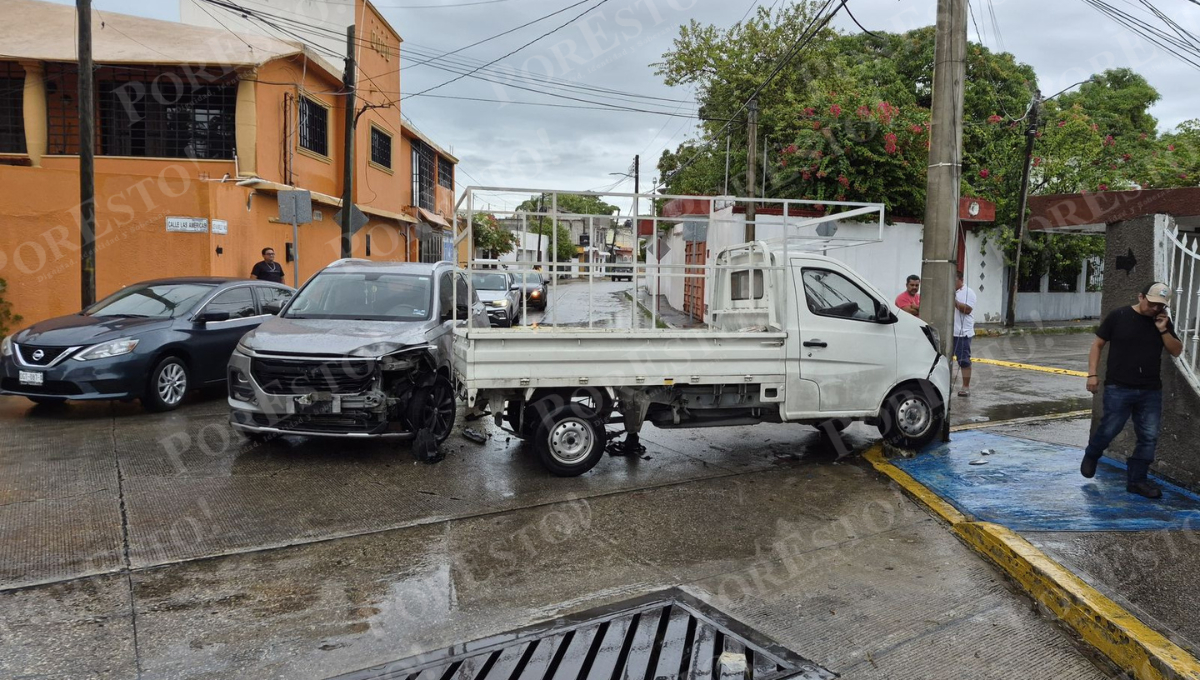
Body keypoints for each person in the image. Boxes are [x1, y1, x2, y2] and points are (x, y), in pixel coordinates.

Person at [1080, 282, 1183, 499]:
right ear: (1141, 296)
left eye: (1160, 306)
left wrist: (1163, 329)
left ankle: (1137, 481)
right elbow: (1097, 344)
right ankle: (1092, 453)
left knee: (1148, 436)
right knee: (1110, 428)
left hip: (1150, 390)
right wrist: (1092, 374)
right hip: (1119, 386)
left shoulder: (1162, 322)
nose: (1155, 309)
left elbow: (1176, 351)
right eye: (1152, 303)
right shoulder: (1119, 316)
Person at [953, 271, 976, 397]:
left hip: (962, 334)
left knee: (964, 361)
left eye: (954, 280)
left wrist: (954, 301)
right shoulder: (950, 291)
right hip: (949, 332)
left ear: (960, 280)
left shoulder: (968, 292)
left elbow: (967, 310)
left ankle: (965, 386)